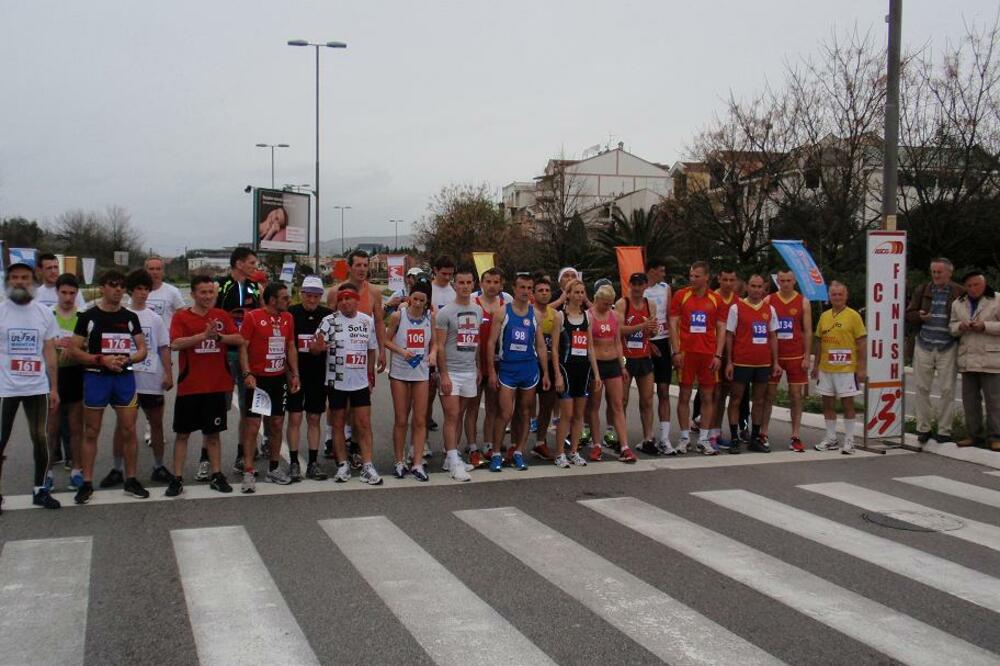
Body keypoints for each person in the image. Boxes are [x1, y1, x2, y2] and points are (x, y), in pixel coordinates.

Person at [69, 270, 149, 504]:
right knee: (91, 431)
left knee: (129, 429)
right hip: (96, 378)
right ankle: (87, 483)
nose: (118, 289)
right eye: (113, 285)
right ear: (102, 287)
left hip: (123, 378)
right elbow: (74, 350)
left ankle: (130, 479)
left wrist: (128, 358)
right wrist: (100, 359)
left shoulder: (130, 317)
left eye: (121, 286)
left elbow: (142, 349)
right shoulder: (88, 316)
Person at [166, 275, 245, 496]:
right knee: (183, 434)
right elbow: (175, 344)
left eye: (211, 292)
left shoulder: (221, 316)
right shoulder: (182, 317)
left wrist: (219, 337)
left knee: (213, 434)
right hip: (190, 386)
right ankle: (177, 478)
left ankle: (217, 475)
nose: (208, 296)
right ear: (193, 294)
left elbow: (238, 339)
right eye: (203, 292)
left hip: (216, 386)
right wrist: (203, 335)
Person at [0, 262, 62, 513]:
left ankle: (40, 489)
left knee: (41, 439)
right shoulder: (2, 312)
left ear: (33, 281)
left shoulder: (44, 313)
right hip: (5, 388)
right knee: (1, 440)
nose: (19, 282)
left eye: (25, 277)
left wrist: (54, 387)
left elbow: (50, 352)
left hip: (37, 386)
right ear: (8, 281)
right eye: (14, 277)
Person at [312, 283, 381, 484]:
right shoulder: (328, 321)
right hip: (336, 381)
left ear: (357, 300)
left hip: (360, 383)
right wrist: (317, 348)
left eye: (348, 298)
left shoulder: (366, 321)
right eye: (341, 299)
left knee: (364, 424)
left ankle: (368, 465)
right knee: (338, 424)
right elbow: (314, 348)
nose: (344, 302)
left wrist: (370, 376)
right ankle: (342, 465)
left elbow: (371, 350)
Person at [325, 250, 386, 465]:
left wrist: (382, 350)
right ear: (349, 267)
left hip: (362, 355)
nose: (362, 269)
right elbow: (329, 322)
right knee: (338, 405)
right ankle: (331, 438)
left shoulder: (374, 292)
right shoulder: (335, 292)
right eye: (358, 265)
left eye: (365, 265)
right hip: (339, 357)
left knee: (360, 405)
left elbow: (379, 322)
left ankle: (355, 444)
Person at [238, 282, 300, 492]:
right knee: (253, 426)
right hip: (258, 380)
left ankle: (273, 468)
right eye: (284, 297)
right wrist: (247, 373)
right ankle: (248, 471)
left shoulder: (288, 318)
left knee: (276, 424)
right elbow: (243, 347)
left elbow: (290, 346)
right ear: (272, 300)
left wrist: (295, 374)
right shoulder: (253, 317)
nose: (288, 301)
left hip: (278, 378)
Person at [487, 272, 551, 471]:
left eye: (529, 288)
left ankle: (518, 452)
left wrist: (546, 373)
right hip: (508, 368)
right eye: (522, 287)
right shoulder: (502, 312)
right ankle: (496, 453)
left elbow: (541, 346)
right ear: (514, 289)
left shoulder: (535, 314)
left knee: (525, 412)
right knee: (505, 413)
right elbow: (491, 343)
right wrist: (491, 371)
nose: (525, 291)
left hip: (529, 368)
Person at [212, 247, 261, 479]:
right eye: (252, 262)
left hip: (247, 355)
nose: (255, 266)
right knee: (217, 406)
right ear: (239, 264)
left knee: (246, 406)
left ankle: (242, 455)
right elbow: (210, 315)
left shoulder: (255, 287)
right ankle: (206, 457)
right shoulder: (221, 286)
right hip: (224, 353)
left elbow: (261, 315)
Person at [906, 258, 964, 445]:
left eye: (940, 272)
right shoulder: (923, 290)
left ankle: (945, 430)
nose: (936, 275)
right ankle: (923, 428)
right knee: (921, 388)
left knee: (947, 389)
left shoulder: (959, 292)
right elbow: (909, 314)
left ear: (949, 273)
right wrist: (919, 316)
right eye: (934, 272)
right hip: (924, 343)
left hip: (948, 345)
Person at [670, 261, 726, 455]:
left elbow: (721, 328)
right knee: (684, 395)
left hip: (708, 354)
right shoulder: (681, 295)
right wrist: (676, 351)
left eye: (696, 276)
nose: (692, 279)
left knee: (707, 396)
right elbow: (673, 323)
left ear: (706, 277)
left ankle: (703, 439)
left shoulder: (716, 299)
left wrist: (718, 355)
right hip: (686, 354)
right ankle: (684, 438)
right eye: (691, 275)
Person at [124, 269, 174, 482]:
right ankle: (119, 469)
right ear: (130, 291)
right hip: (128, 380)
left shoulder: (155, 318)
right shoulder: (122, 315)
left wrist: (168, 374)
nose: (143, 293)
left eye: (146, 289)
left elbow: (164, 347)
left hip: (152, 379)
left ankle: (159, 466)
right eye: (139, 289)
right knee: (125, 427)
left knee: (156, 424)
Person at [385, 279, 436, 480]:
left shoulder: (430, 318)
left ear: (427, 301)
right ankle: (399, 461)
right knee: (401, 419)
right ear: (410, 298)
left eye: (422, 300)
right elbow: (386, 340)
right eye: (415, 299)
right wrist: (401, 351)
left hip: (421, 373)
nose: (418, 303)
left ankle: (417, 462)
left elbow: (435, 343)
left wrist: (433, 353)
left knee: (420, 419)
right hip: (400, 372)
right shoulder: (399, 316)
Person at [724, 275, 780, 454]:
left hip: (763, 362)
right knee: (736, 399)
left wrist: (775, 362)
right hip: (741, 361)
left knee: (759, 400)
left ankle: (755, 438)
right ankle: (734, 438)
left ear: (764, 288)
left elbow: (773, 336)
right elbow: (729, 335)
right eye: (753, 286)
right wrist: (729, 362)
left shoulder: (770, 309)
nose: (756, 290)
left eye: (759, 286)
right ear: (747, 287)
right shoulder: (736, 308)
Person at [435, 268, 481, 482]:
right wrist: (443, 374)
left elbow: (476, 341)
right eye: (461, 282)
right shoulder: (445, 312)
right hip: (451, 371)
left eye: (468, 282)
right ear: (454, 284)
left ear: (473, 284)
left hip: (469, 370)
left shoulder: (477, 310)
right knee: (451, 415)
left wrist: (478, 367)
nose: (465, 286)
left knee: (460, 414)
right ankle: (454, 462)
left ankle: (450, 457)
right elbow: (440, 346)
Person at [285, 276, 332, 481]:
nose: (312, 300)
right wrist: (290, 372)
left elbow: (334, 343)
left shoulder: (328, 316)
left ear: (321, 296)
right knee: (295, 417)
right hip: (295, 374)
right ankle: (294, 462)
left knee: (314, 418)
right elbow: (285, 345)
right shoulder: (290, 314)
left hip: (318, 374)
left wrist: (323, 348)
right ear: (301, 294)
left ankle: (313, 462)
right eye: (308, 296)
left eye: (316, 296)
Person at [811, 281, 867, 454]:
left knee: (847, 403)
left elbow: (861, 342)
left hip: (846, 368)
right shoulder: (824, 316)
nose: (837, 297)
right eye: (834, 294)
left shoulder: (853, 316)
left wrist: (861, 367)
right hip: (826, 368)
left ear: (846, 296)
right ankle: (831, 438)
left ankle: (849, 440)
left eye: (840, 294)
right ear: (829, 296)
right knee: (827, 403)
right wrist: (816, 365)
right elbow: (819, 341)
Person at [762, 269, 813, 451]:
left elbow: (808, 331)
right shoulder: (769, 300)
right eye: (782, 280)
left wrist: (807, 356)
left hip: (795, 355)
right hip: (774, 356)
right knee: (769, 395)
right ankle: (763, 432)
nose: (785, 284)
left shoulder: (803, 302)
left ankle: (795, 435)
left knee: (796, 396)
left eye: (788, 280)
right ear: (778, 281)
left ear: (794, 281)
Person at [949, 271, 1000, 450]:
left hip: (991, 358)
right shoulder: (958, 303)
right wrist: (960, 326)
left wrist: (985, 326)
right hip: (968, 358)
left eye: (976, 285)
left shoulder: (997, 300)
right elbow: (952, 327)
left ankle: (996, 436)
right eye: (969, 286)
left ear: (984, 284)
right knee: (970, 401)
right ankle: (974, 435)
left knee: (995, 401)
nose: (972, 289)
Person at [553, 279, 600, 467]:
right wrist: (557, 374)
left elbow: (590, 347)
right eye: (576, 292)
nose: (580, 296)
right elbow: (554, 349)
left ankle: (573, 451)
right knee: (567, 413)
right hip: (566, 368)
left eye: (582, 292)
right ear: (568, 294)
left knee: (579, 414)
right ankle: (559, 453)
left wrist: (596, 374)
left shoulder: (587, 317)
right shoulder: (560, 316)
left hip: (583, 369)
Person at [586, 284, 636, 463]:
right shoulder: (589, 316)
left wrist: (622, 366)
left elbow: (617, 342)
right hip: (597, 363)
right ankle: (596, 444)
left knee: (617, 404)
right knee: (594, 405)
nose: (607, 306)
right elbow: (590, 346)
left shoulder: (615, 316)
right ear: (597, 300)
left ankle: (624, 446)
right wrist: (596, 373)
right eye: (604, 303)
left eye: (610, 303)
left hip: (613, 363)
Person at [466, 267, 507, 467]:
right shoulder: (472, 304)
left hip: (497, 364)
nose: (491, 286)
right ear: (481, 284)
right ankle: (472, 447)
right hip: (474, 364)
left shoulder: (505, 306)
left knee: (492, 407)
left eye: (495, 282)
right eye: (488, 282)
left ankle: (488, 445)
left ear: (501, 285)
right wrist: (474, 365)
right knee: (472, 408)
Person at [48, 273, 85, 490]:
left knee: (75, 427)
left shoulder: (82, 315)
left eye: (72, 293)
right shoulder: (48, 314)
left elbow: (90, 345)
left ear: (77, 293)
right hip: (53, 375)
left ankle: (77, 470)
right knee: (51, 428)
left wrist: (77, 347)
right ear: (57, 292)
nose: (68, 297)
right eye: (64, 292)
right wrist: (54, 344)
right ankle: (46, 473)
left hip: (75, 374)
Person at [616, 272, 659, 455]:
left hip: (644, 355)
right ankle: (621, 439)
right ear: (630, 285)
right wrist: (641, 327)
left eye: (641, 284)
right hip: (626, 357)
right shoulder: (622, 304)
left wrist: (653, 330)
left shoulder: (650, 305)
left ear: (645, 286)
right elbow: (618, 330)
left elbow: (652, 332)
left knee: (647, 400)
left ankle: (648, 437)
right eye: (634, 284)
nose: (637, 287)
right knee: (622, 400)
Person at [644, 257, 675, 454]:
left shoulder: (666, 288)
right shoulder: (641, 289)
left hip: (663, 342)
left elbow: (671, 317)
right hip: (645, 344)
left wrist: (674, 347)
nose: (663, 274)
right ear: (651, 271)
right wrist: (648, 343)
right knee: (646, 395)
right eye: (661, 271)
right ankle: (647, 436)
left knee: (664, 390)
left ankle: (665, 437)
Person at [426, 255, 457, 435]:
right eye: (444, 273)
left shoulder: (454, 291)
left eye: (450, 274)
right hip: (430, 346)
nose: (447, 277)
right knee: (428, 393)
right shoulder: (428, 290)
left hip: (449, 348)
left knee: (449, 392)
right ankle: (425, 424)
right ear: (435, 270)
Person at [530, 275, 559, 461]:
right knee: (524, 407)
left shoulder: (555, 315)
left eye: (547, 290)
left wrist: (556, 371)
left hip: (547, 366)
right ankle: (516, 445)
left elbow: (556, 346)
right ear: (533, 294)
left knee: (547, 405)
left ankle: (540, 442)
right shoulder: (527, 312)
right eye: (540, 290)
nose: (544, 293)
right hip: (529, 364)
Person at [143, 256, 187, 331]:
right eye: (151, 269)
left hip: (166, 336)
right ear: (145, 271)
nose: (155, 272)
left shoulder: (173, 291)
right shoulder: (137, 292)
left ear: (163, 271)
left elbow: (183, 316)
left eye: (158, 269)